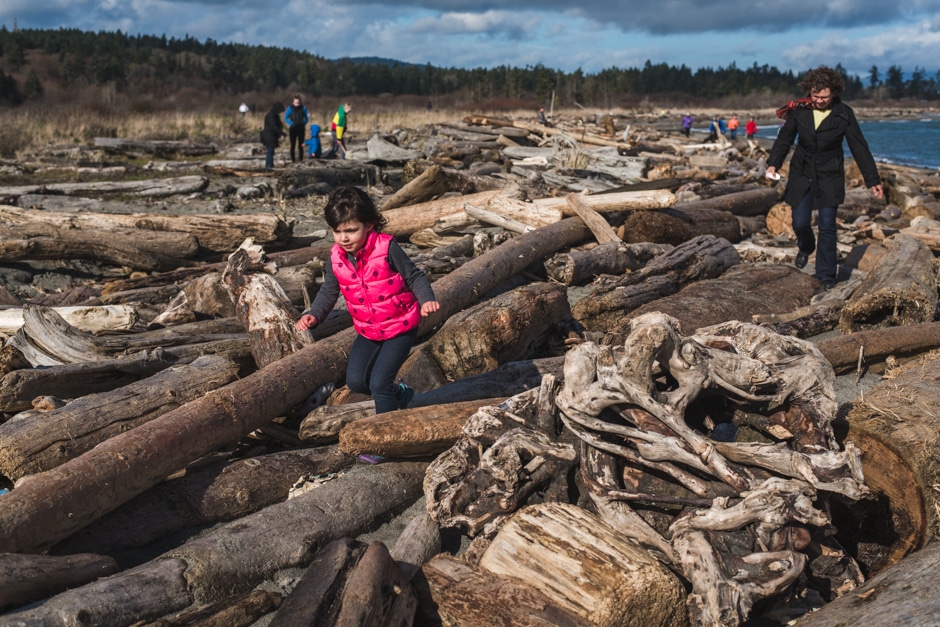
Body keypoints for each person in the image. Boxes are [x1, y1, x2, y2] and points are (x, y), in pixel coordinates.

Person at [295, 187, 440, 457]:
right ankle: (401, 394)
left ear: (369, 225)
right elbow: (328, 291)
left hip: (401, 325)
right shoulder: (335, 257)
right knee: (357, 382)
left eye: (350, 230)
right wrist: (313, 314)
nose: (344, 238)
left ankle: (386, 441)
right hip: (368, 330)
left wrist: (426, 300)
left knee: (379, 384)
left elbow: (415, 276)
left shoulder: (387, 247)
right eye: (337, 231)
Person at [766, 65, 883, 290]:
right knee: (800, 222)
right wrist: (773, 164)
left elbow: (859, 147)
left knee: (827, 224)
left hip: (830, 173)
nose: (819, 100)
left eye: (825, 97)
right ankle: (806, 246)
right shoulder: (799, 110)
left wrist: (873, 180)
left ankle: (826, 275)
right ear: (810, 92)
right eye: (816, 96)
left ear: (834, 93)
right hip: (802, 171)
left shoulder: (844, 113)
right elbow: (785, 139)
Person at [260, 102, 286, 170]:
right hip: (269, 135)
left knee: (271, 151)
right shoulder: (271, 115)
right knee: (270, 151)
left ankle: (270, 165)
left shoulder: (273, 115)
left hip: (271, 135)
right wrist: (281, 133)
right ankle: (268, 166)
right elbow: (273, 126)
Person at [284, 95, 309, 163]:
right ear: (293, 102)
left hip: (301, 128)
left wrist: (303, 123)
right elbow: (286, 118)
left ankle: (301, 160)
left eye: (298, 103)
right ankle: (293, 160)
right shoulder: (290, 108)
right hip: (293, 128)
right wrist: (291, 123)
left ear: (300, 102)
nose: (296, 104)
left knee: (301, 145)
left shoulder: (304, 108)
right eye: (295, 102)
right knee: (293, 145)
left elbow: (307, 118)